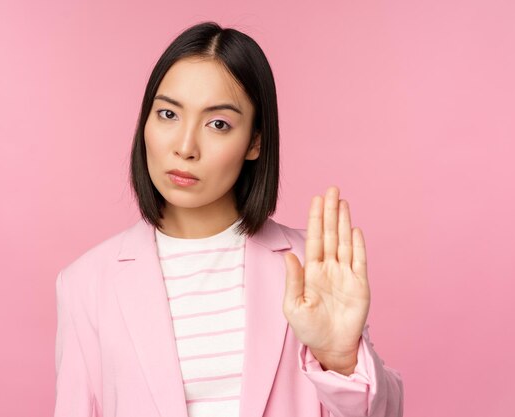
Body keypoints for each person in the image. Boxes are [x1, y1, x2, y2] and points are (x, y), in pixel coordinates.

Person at [54, 21, 404, 417]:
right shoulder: (86, 284)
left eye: (218, 124)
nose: (185, 147)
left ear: (255, 141)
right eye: (168, 114)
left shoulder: (312, 268)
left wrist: (340, 360)